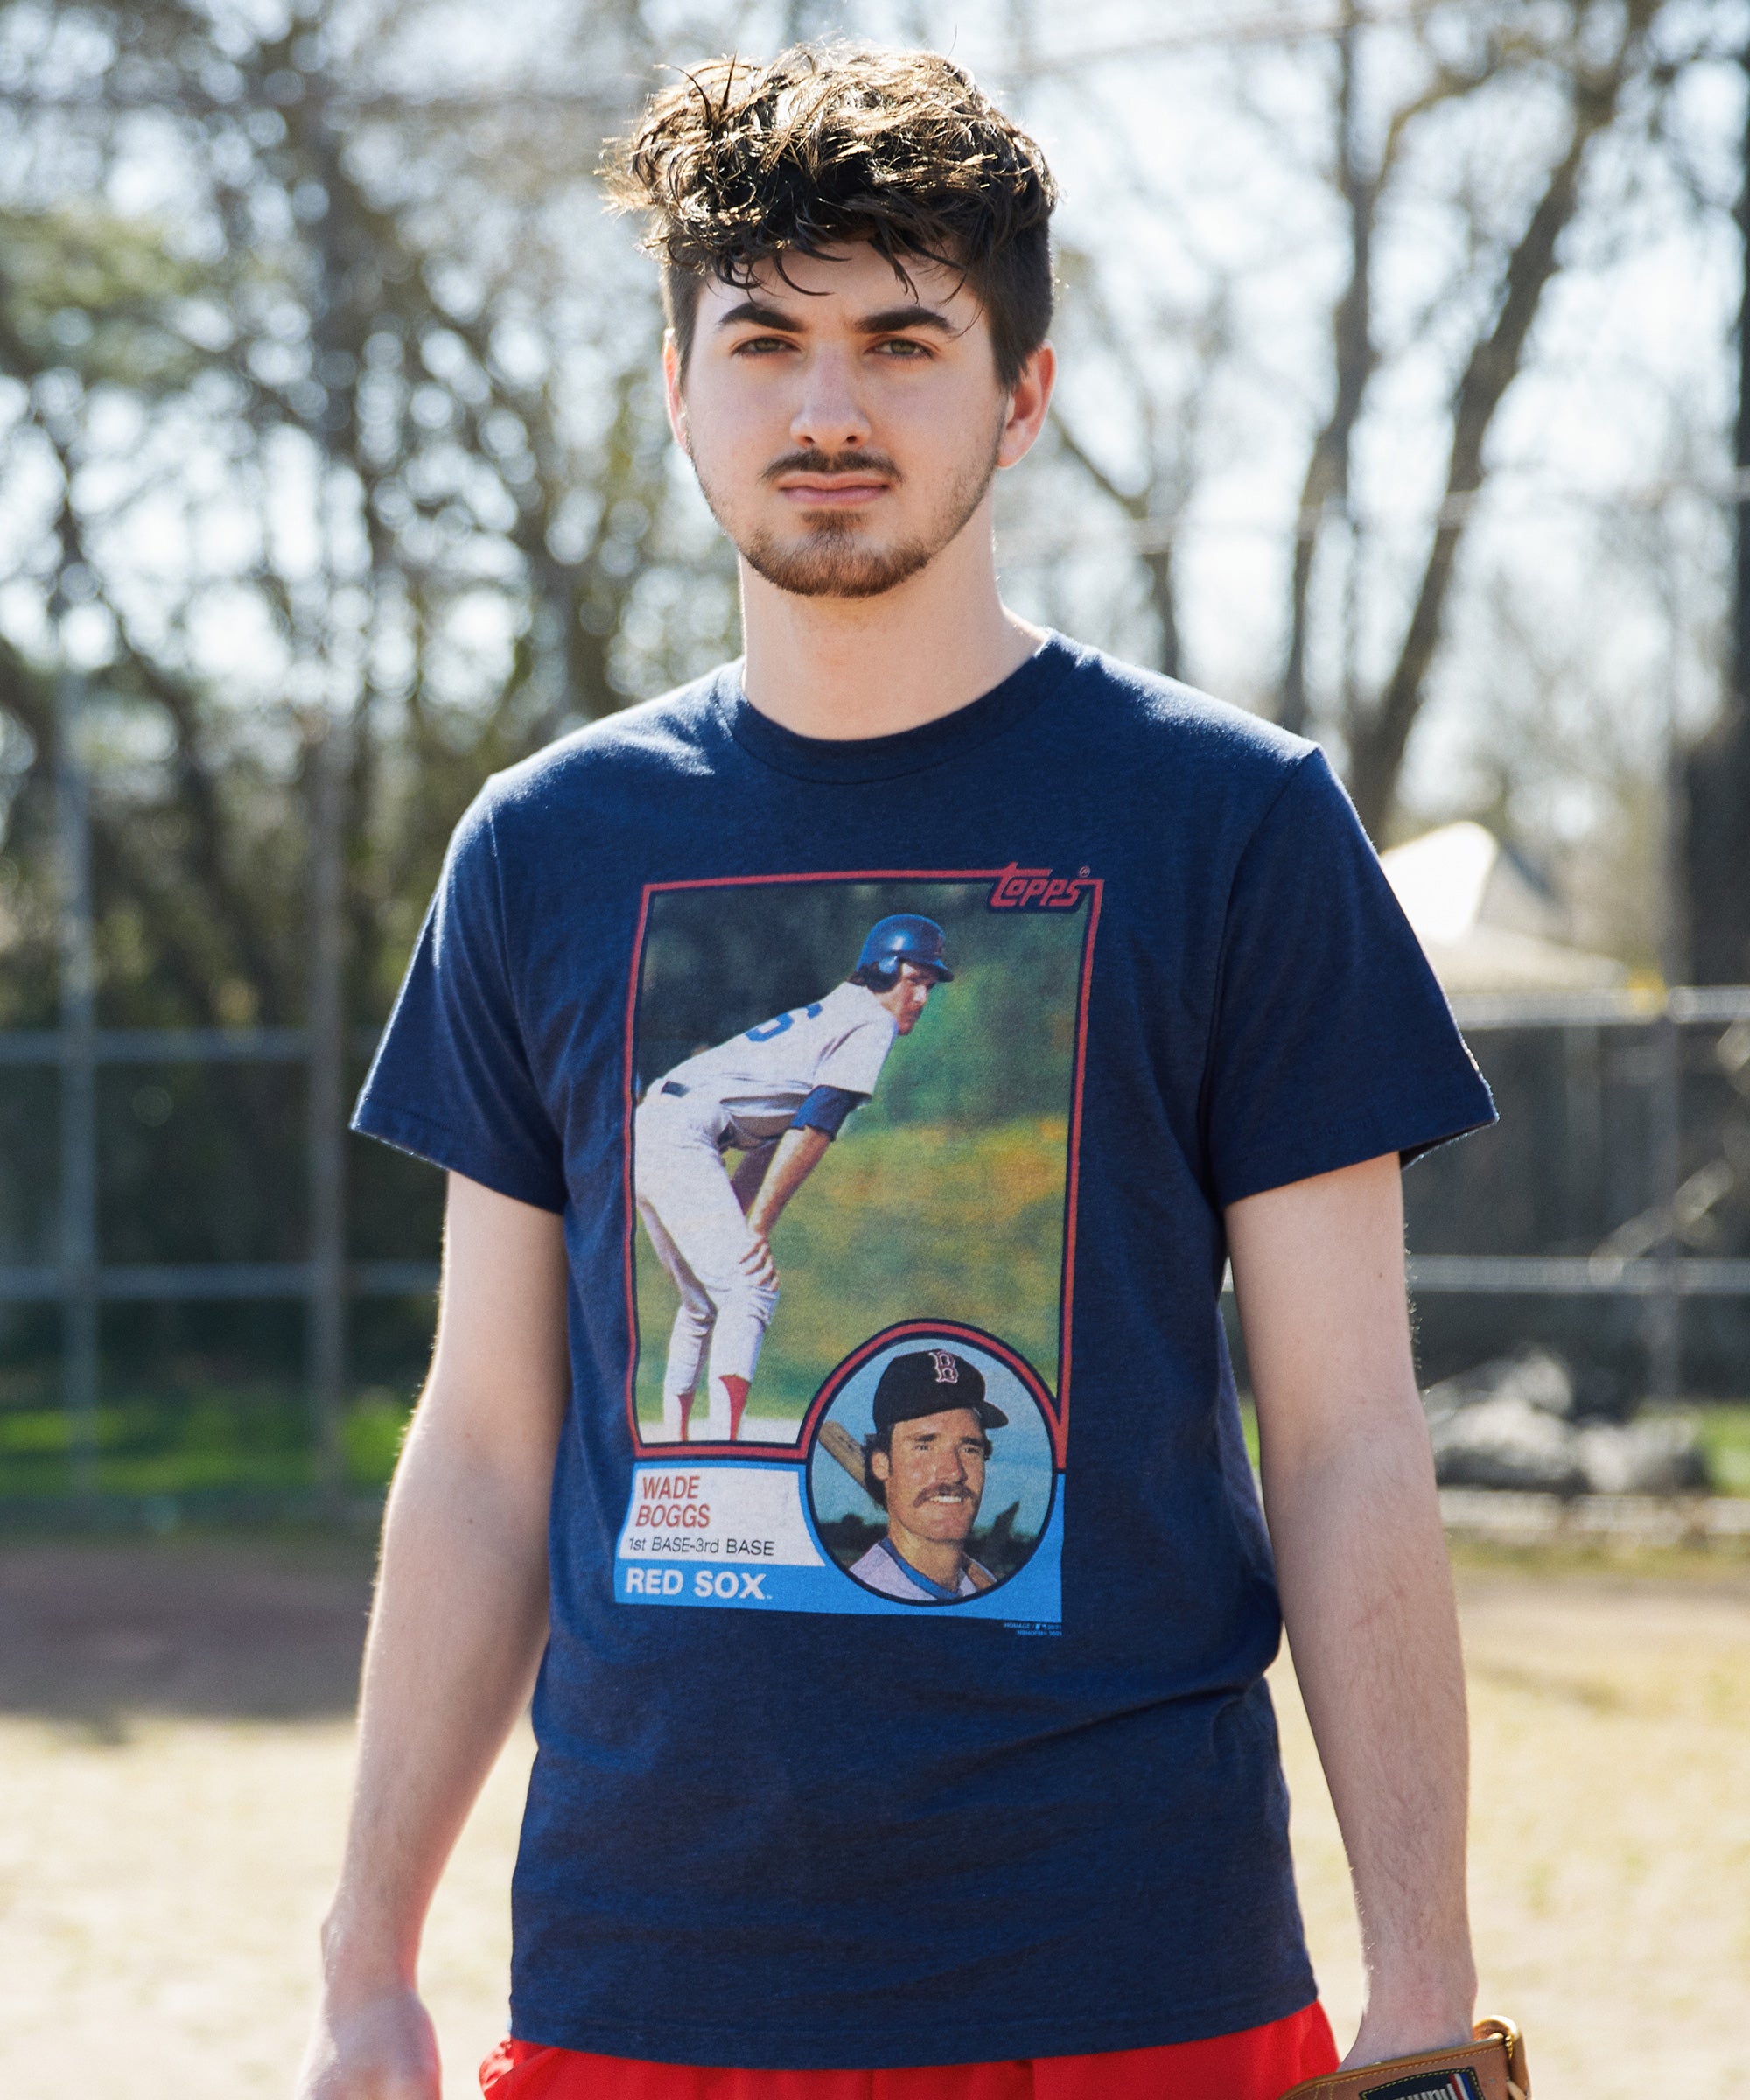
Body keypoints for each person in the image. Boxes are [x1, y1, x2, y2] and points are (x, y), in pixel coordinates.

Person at [298, 43, 1496, 2100]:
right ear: (674, 386)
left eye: (900, 339)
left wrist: (1421, 1979)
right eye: (759, 337)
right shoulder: (542, 843)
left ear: (1017, 395)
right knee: (733, 1301)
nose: (827, 403)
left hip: (1132, 1969)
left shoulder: (1232, 821)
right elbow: (488, 1448)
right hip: (640, 1975)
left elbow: (1343, 1441)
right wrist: (365, 1964)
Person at [634, 914, 951, 1441]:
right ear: (881, 969)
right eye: (914, 979)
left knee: (702, 1306)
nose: (921, 996)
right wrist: (757, 1225)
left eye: (929, 985)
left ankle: (677, 1446)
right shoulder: (871, 1021)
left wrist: (743, 1217)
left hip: (657, 1122)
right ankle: (724, 1451)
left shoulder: (835, 1010)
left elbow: (781, 1133)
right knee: (751, 1287)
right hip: (683, 1133)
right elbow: (815, 1124)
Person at [846, 1348, 1004, 1600]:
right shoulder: (864, 1597)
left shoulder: (981, 1582)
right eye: (924, 1446)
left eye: (969, 1448)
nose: (954, 1472)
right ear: (882, 1464)